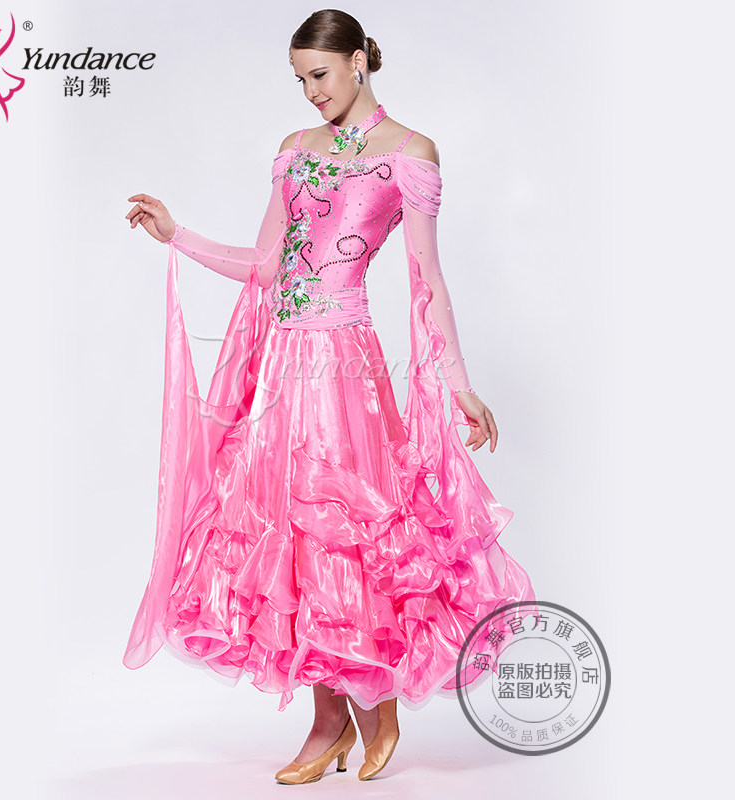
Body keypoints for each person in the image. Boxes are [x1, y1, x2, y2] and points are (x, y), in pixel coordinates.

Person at [123, 8, 535, 785]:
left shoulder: (409, 154)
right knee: (290, 538)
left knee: (354, 533)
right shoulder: (294, 150)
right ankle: (327, 720)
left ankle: (374, 701)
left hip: (346, 368)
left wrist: (460, 386)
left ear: (357, 62)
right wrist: (177, 234)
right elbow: (267, 266)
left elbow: (428, 280)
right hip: (283, 367)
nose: (311, 92)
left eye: (319, 75)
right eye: (299, 80)